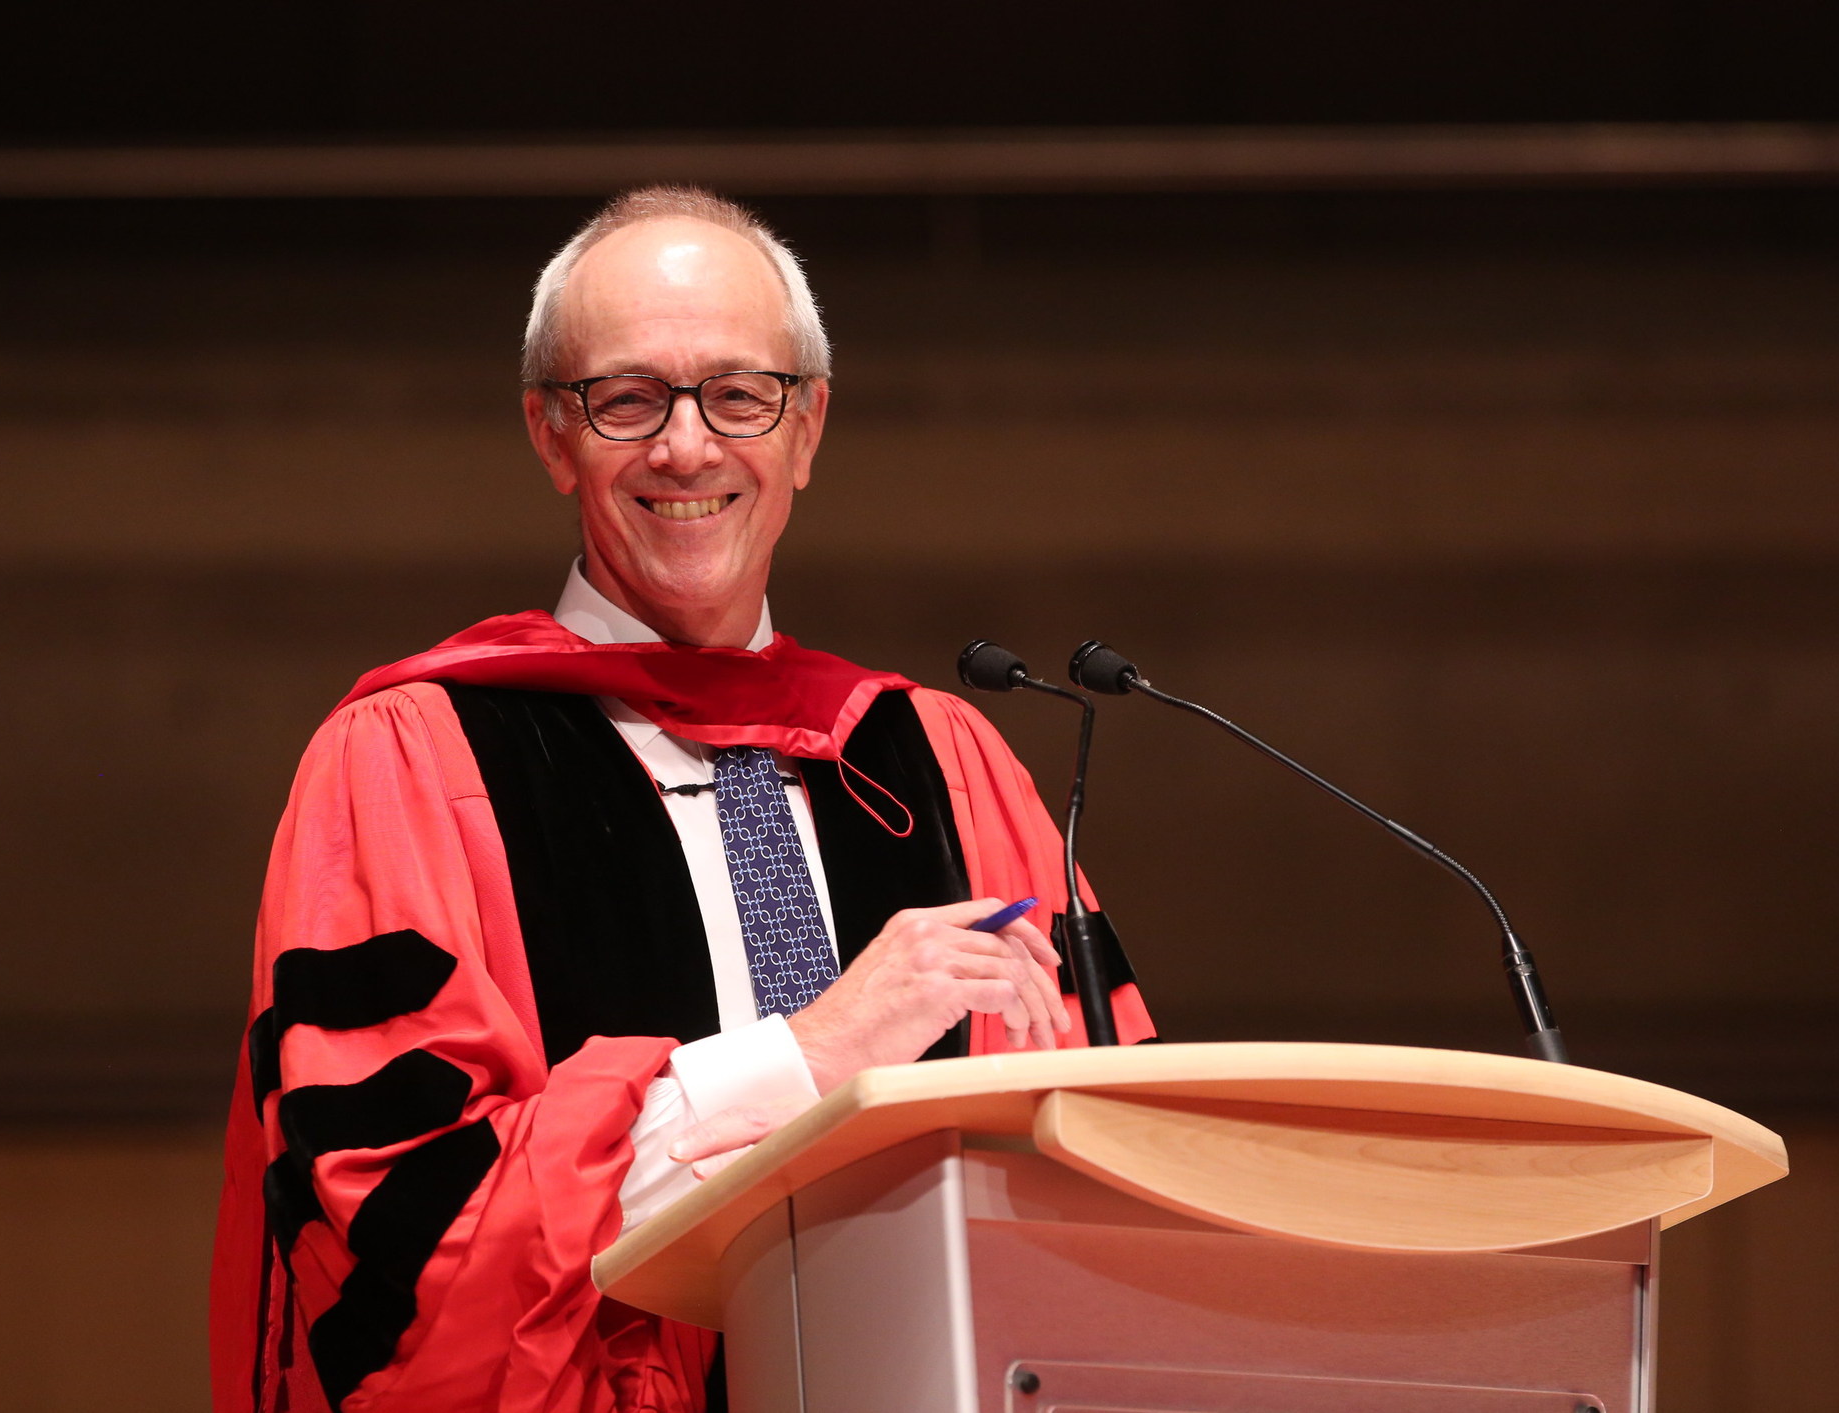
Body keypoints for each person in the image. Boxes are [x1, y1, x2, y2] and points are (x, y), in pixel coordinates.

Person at [209, 185, 1155, 1413]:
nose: (688, 447)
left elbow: (1115, 1169)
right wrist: (807, 1060)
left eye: (739, 395)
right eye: (628, 399)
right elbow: (406, 1242)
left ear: (807, 429)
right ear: (553, 435)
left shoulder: (943, 762)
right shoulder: (410, 761)